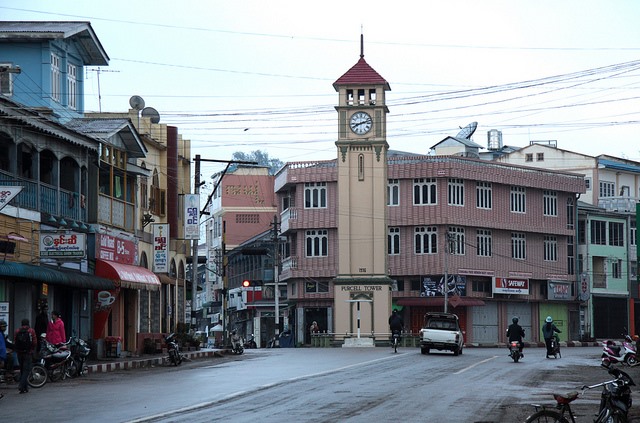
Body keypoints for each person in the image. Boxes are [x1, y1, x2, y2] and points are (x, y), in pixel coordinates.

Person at [14, 318, 37, 394]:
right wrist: (32, 349)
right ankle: (21, 385)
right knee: (26, 370)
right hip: (28, 353)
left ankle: (25, 387)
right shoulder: (31, 331)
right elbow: (34, 342)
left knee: (22, 369)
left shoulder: (17, 331)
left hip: (19, 353)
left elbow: (15, 341)